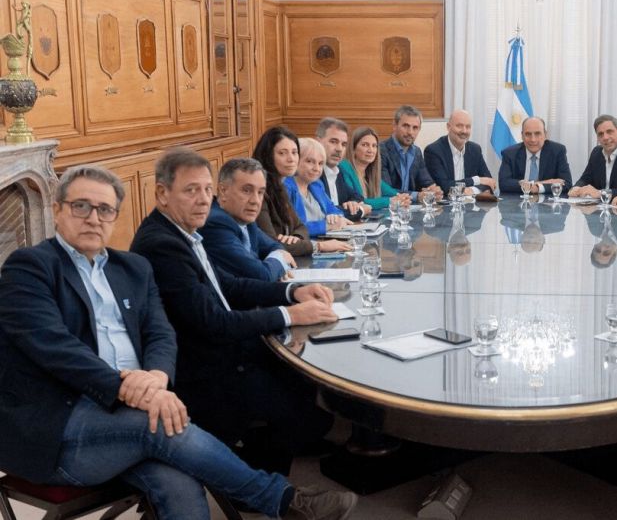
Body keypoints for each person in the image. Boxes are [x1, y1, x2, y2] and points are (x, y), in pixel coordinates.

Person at [0, 164, 356, 520]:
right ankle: (282, 501)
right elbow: (56, 348)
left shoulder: (132, 268)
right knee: (161, 424)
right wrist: (129, 388)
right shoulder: (29, 267)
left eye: (105, 209)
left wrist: (156, 377)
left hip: (138, 408)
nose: (94, 218)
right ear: (58, 210)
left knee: (178, 483)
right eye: (81, 206)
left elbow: (160, 333)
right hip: (61, 424)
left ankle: (281, 500)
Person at [130, 149, 339, 475]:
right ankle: (253, 474)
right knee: (302, 399)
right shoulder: (162, 244)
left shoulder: (183, 230)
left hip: (219, 345)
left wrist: (292, 292)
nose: (204, 200)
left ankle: (272, 447)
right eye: (191, 190)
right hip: (202, 368)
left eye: (206, 189)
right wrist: (291, 315)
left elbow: (228, 285)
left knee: (307, 378)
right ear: (162, 193)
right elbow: (213, 323)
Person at [253, 126, 346, 257]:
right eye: (282, 153)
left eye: (294, 152)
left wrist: (296, 238)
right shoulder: (259, 192)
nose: (291, 159)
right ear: (268, 156)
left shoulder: (279, 187)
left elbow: (300, 227)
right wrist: (319, 246)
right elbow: (270, 244)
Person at [200, 158, 296, 282]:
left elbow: (275, 246)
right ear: (223, 191)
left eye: (260, 192)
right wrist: (279, 263)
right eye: (247, 191)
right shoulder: (215, 223)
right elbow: (262, 275)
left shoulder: (244, 218)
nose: (255, 201)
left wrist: (277, 260)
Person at [285, 137, 351, 237]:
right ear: (296, 160)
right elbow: (292, 229)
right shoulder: (286, 188)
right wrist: (325, 226)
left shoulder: (316, 184)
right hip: (305, 244)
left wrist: (335, 216)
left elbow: (334, 210)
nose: (316, 168)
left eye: (320, 164)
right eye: (309, 161)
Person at [423, 109, 496, 194]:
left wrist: (472, 190)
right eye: (459, 126)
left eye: (468, 127)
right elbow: (443, 186)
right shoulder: (433, 151)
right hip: (446, 202)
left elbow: (489, 182)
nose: (464, 131)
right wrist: (476, 180)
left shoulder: (475, 149)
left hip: (471, 201)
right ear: (448, 127)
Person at [379, 105, 443, 201]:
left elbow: (426, 182)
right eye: (406, 126)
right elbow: (386, 190)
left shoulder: (416, 152)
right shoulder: (381, 150)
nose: (410, 132)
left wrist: (434, 190)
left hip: (409, 207)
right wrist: (416, 196)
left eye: (415, 128)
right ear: (395, 126)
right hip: (389, 206)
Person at [339, 126, 411, 210]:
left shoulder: (370, 173)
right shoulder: (345, 167)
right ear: (353, 148)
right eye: (365, 145)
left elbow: (390, 192)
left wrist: (402, 198)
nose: (370, 150)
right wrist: (391, 201)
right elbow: (358, 202)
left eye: (374, 146)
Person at [498, 116, 573, 195]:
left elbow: (567, 184)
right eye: (528, 134)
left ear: (545, 135)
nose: (533, 139)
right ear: (522, 136)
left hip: (547, 202)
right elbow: (504, 184)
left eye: (537, 134)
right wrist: (538, 184)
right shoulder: (509, 153)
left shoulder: (558, 151)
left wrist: (537, 187)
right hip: (517, 201)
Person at [315, 117, 371, 220]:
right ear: (318, 142)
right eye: (333, 142)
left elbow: (357, 196)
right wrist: (361, 210)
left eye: (343, 144)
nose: (339, 149)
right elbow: (324, 213)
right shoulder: (313, 173)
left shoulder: (337, 171)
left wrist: (353, 203)